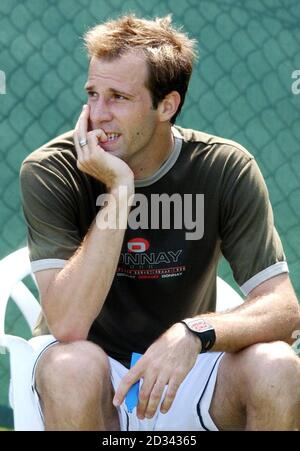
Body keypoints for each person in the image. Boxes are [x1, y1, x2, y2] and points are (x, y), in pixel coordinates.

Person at [20, 14, 300, 431]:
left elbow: (283, 308)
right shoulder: (52, 169)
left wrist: (194, 333)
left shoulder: (224, 167)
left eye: (118, 97)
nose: (98, 114)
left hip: (186, 370)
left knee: (276, 365)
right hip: (92, 375)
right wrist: (118, 190)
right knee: (72, 366)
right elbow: (68, 324)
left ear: (166, 105)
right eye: (93, 94)